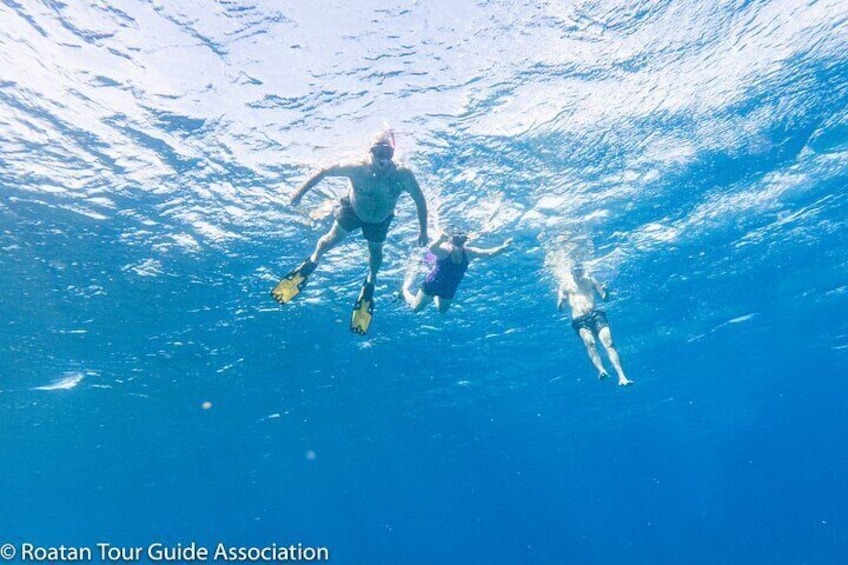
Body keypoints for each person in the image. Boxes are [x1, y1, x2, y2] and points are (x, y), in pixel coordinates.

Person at [272, 131, 429, 335]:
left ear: (393, 153)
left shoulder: (402, 173)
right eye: (378, 152)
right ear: (369, 151)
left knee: (375, 254)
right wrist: (299, 193)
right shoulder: (356, 168)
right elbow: (324, 171)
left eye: (388, 153)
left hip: (380, 221)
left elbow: (420, 200)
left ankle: (371, 281)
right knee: (329, 241)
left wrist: (423, 231)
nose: (383, 159)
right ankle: (312, 261)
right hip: (353, 211)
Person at [557, 263, 633, 386]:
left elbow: (605, 298)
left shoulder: (591, 281)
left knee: (609, 344)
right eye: (575, 270)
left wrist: (606, 291)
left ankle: (622, 376)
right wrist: (562, 301)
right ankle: (601, 370)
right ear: (571, 272)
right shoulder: (565, 286)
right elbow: (560, 307)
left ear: (583, 270)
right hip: (579, 319)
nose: (578, 271)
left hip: (596, 315)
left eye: (580, 269)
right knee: (590, 344)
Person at [402, 229, 512, 313]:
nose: (459, 246)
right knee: (415, 309)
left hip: (449, 289)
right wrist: (440, 240)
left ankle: (434, 297)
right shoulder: (445, 250)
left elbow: (488, 253)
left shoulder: (469, 252)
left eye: (462, 242)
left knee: (442, 311)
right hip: (432, 285)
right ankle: (404, 291)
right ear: (451, 241)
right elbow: (432, 248)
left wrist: (504, 247)